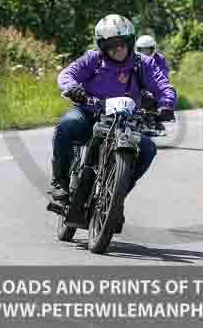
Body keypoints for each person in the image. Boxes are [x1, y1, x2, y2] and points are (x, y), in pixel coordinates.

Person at [52, 14, 176, 229]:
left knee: (147, 149)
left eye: (122, 44)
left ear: (130, 42)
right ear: (103, 47)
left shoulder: (143, 64)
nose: (118, 49)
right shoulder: (92, 59)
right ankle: (60, 181)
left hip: (125, 121)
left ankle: (115, 197)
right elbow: (67, 74)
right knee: (66, 125)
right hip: (89, 113)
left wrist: (166, 103)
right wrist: (72, 88)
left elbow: (163, 85)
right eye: (111, 46)